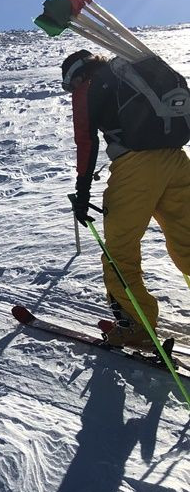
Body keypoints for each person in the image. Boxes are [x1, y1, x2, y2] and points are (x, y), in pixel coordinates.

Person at [61, 49, 190, 349]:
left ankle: (136, 325)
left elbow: (86, 141)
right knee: (187, 241)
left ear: (77, 75)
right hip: (177, 160)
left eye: (69, 85)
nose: (71, 90)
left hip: (136, 168)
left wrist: (82, 194)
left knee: (120, 251)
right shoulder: (127, 74)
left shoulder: (88, 87)